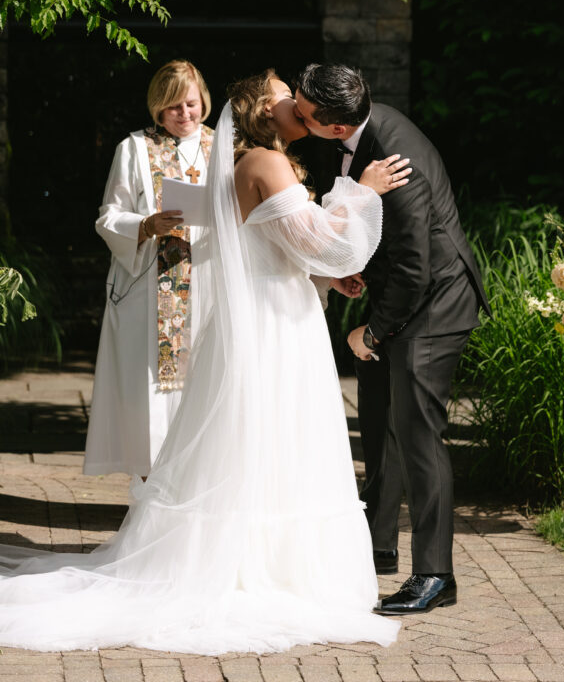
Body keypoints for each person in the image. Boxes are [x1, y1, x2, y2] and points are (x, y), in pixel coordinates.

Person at [0, 70, 408, 653]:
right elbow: (328, 240)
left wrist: (322, 274)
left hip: (269, 313)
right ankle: (268, 573)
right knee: (274, 436)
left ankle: (258, 563)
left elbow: (283, 245)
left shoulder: (249, 163)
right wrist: (363, 191)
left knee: (261, 439)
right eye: (285, 93)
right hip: (273, 323)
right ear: (268, 112)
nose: (296, 97)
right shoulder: (264, 164)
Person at [294, 63, 490, 616]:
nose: (296, 116)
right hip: (400, 292)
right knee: (379, 422)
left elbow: (415, 268)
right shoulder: (363, 128)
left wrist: (373, 329)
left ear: (335, 126)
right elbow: (388, 242)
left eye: (304, 114)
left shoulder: (395, 159)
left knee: (417, 434)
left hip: (432, 307)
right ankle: (377, 548)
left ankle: (434, 574)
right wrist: (357, 268)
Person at [84, 60, 214, 477]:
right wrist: (145, 225)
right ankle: (151, 485)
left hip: (209, 282)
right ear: (157, 107)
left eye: (191, 104)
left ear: (204, 102)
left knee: (205, 384)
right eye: (173, 107)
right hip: (149, 288)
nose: (185, 115)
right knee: (152, 396)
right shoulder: (135, 147)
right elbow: (108, 217)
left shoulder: (224, 147)